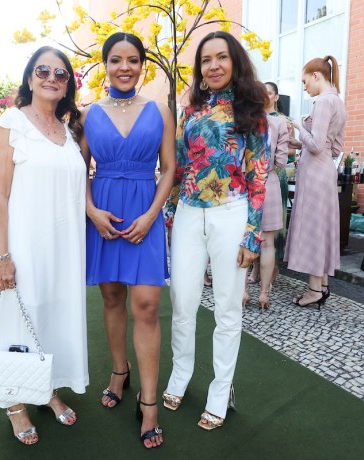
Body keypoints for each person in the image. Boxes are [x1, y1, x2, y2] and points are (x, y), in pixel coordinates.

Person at [162, 31, 269, 431]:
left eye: (222, 57)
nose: (214, 65)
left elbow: (260, 175)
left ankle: (221, 389)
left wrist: (252, 235)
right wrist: (169, 216)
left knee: (227, 308)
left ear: (234, 61)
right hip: (189, 212)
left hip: (232, 212)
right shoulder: (191, 111)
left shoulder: (254, 110)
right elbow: (180, 168)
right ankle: (180, 374)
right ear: (200, 69)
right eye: (206, 60)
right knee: (183, 302)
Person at [79, 32, 174, 449]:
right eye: (116, 60)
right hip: (102, 213)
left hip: (145, 211)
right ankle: (120, 370)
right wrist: (90, 210)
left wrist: (152, 216)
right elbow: (77, 169)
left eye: (132, 60)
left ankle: (149, 402)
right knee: (113, 297)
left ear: (142, 65)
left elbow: (169, 168)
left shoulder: (160, 110)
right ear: (106, 65)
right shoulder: (87, 114)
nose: (124, 67)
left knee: (148, 305)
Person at [0, 45, 88, 446]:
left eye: (60, 73)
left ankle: (45, 389)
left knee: (51, 318)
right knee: (19, 320)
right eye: (42, 70)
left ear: (67, 85)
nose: (51, 77)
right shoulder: (10, 124)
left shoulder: (68, 131)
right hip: (23, 246)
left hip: (64, 249)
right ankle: (16, 405)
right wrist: (2, 256)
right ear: (30, 78)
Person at [284, 55, 347, 307]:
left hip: (314, 176)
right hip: (325, 172)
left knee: (312, 229)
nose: (304, 86)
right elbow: (333, 148)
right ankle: (321, 286)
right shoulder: (338, 102)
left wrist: (299, 126)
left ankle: (314, 290)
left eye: (304, 80)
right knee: (321, 229)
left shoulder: (321, 102)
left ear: (316, 76)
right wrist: (300, 143)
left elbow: (318, 144)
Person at [243, 83, 290, 310]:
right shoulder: (280, 123)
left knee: (242, 239)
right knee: (268, 243)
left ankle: (242, 291)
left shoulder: (245, 121)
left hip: (245, 184)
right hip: (269, 182)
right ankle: (264, 294)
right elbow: (282, 162)